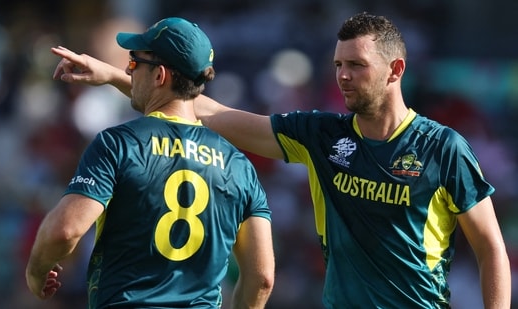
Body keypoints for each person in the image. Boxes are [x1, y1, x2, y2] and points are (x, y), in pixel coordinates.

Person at [50, 12, 511, 308]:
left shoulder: (443, 148)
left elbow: (490, 246)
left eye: (356, 66)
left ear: (396, 70)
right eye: (337, 66)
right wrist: (113, 75)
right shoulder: (321, 135)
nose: (344, 76)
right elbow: (206, 111)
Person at [26, 17, 275, 309]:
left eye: (133, 63)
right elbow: (262, 277)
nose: (129, 72)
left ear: (159, 76)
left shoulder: (118, 144)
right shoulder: (240, 166)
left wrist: (36, 271)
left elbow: (65, 231)